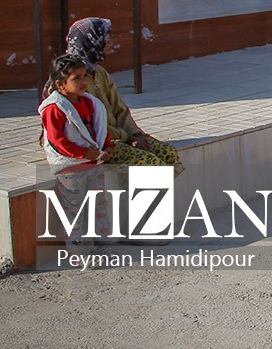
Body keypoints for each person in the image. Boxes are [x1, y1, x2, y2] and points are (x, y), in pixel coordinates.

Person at [62, 17, 182, 171]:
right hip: (94, 143)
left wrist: (135, 134)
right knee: (148, 163)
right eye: (106, 39)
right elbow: (90, 124)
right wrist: (126, 138)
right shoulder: (69, 79)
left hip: (118, 136)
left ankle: (151, 194)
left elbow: (119, 108)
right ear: (92, 42)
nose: (110, 43)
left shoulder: (99, 72)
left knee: (169, 154)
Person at [38, 54, 113, 242]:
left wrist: (108, 147)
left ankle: (102, 245)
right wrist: (83, 153)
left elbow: (100, 129)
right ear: (60, 84)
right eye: (76, 78)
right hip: (70, 169)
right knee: (74, 211)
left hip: (93, 164)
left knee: (99, 206)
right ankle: (78, 251)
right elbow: (58, 141)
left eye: (84, 76)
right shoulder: (55, 109)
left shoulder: (89, 103)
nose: (83, 82)